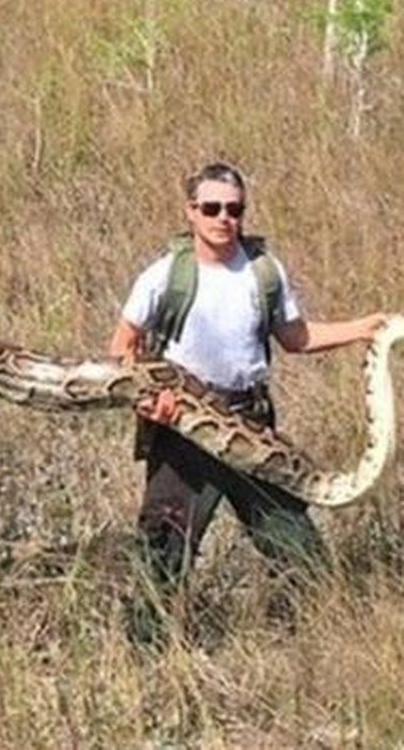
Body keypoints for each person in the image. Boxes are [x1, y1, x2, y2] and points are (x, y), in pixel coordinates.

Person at [108, 161, 385, 643]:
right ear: (190, 212)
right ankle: (147, 659)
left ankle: (322, 639)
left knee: (296, 544)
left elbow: (295, 337)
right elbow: (123, 346)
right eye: (211, 208)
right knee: (164, 551)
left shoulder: (263, 271)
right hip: (184, 431)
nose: (223, 218)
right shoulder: (165, 275)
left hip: (251, 424)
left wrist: (364, 328)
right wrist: (150, 401)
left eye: (233, 209)